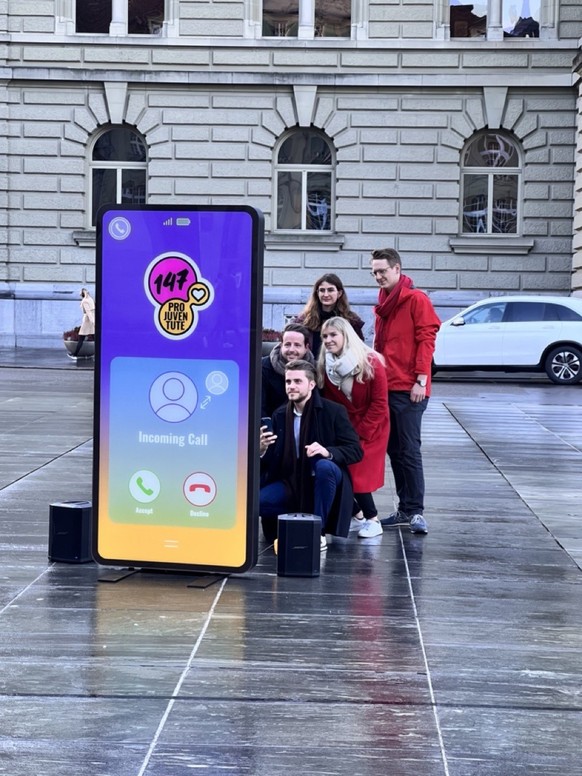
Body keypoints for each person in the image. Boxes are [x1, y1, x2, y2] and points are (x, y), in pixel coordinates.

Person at [370, 248, 441, 535]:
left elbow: (427, 338)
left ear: (397, 269)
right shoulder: (385, 300)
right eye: (374, 272)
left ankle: (416, 512)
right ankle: (405, 509)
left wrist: (421, 380)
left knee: (409, 450)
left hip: (409, 388)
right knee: (395, 450)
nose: (378, 276)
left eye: (382, 271)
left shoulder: (415, 299)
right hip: (387, 385)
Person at [259, 359, 363, 550]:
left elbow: (355, 450)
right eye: (288, 382)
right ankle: (300, 517)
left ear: (312, 384)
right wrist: (262, 450)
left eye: (297, 381)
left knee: (324, 467)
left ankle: (317, 532)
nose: (291, 386)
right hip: (290, 480)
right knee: (257, 502)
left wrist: (327, 452)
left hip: (323, 475)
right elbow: (272, 459)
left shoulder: (332, 411)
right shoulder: (280, 414)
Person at [317, 317, 389, 539]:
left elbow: (380, 404)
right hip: (346, 426)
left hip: (372, 425)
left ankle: (373, 519)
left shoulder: (371, 362)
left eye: (333, 335)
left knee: (358, 473)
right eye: (325, 336)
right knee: (340, 472)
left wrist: (361, 433)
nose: (328, 340)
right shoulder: (325, 366)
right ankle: (357, 515)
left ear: (345, 335)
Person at [293, 273, 365, 359]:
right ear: (317, 293)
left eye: (330, 290)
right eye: (322, 290)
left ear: (339, 293)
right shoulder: (304, 320)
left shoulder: (351, 320)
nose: (326, 295)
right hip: (310, 368)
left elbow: (359, 349)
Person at [261, 323, 314, 418]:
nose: (291, 349)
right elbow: (259, 408)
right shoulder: (263, 367)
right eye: (287, 344)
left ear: (306, 347)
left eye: (297, 345)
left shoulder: (316, 369)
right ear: (281, 345)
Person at [70, 288, 95, 359]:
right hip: (91, 319)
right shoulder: (90, 299)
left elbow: (88, 312)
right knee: (94, 337)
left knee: (81, 338)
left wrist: (93, 321)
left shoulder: (85, 301)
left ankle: (75, 355)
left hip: (87, 321)